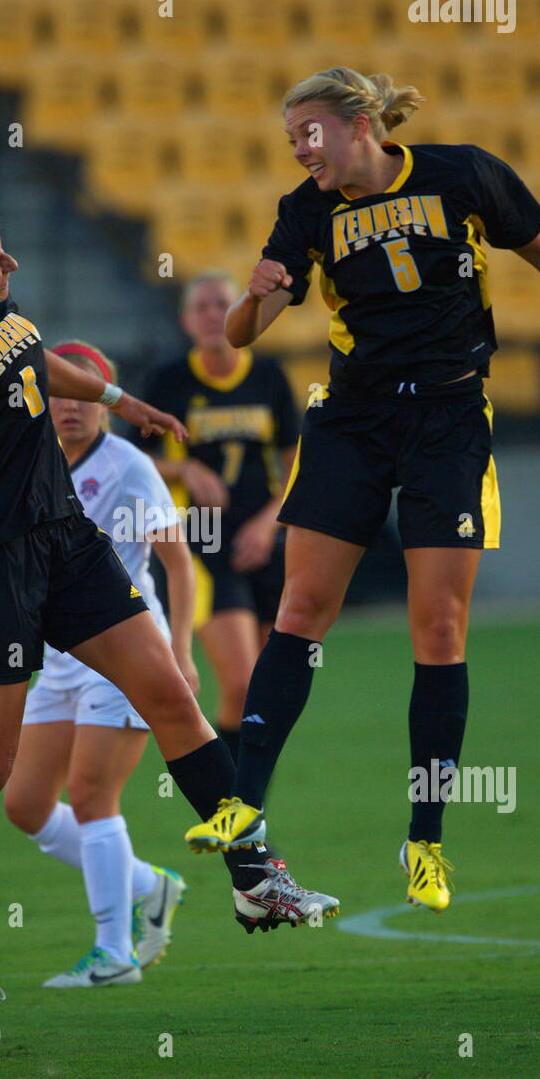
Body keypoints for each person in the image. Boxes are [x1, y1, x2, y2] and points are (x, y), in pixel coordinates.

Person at [0, 145, 338, 1048]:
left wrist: (122, 399)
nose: (13, 264)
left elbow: (34, 359)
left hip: (68, 542)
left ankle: (256, 876)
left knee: (173, 695)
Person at [203, 64, 540, 912]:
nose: (301, 149)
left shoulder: (461, 172)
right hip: (352, 419)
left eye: (311, 131)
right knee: (301, 611)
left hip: (449, 418)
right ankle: (243, 805)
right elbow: (241, 337)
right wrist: (250, 301)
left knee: (440, 625)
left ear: (360, 123)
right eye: (290, 139)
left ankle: (425, 838)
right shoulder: (305, 212)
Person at [3, 341, 194, 988]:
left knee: (90, 796)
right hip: (62, 656)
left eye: (84, 393)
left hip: (126, 649)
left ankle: (114, 952)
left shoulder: (130, 468)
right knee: (25, 803)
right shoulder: (34, 461)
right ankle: (149, 885)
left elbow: (178, 561)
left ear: (106, 401)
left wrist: (183, 652)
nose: (69, 406)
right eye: (57, 393)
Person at [139, 270, 299, 764]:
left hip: (265, 543)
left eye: (222, 305)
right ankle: (232, 806)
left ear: (239, 314)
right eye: (202, 306)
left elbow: (297, 465)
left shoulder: (269, 376)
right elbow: (134, 462)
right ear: (187, 320)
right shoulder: (169, 381)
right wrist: (183, 465)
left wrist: (271, 521)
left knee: (271, 696)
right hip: (204, 543)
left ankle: (246, 815)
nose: (212, 315)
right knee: (243, 683)